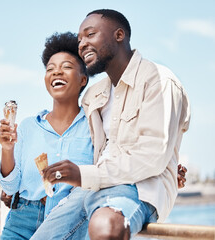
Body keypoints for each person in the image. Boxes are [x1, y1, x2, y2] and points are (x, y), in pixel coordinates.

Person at [30, 9, 190, 240]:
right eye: (79, 40)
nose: (82, 44)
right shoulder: (94, 95)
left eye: (90, 34)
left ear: (119, 35)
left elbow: (152, 157)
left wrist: (83, 174)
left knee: (106, 226)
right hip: (90, 189)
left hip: (138, 189)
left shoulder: (159, 81)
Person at [0, 32, 93, 239]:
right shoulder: (27, 127)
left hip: (70, 223)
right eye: (50, 68)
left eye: (66, 66)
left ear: (83, 79)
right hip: (21, 220)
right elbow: (10, 187)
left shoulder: (94, 127)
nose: (57, 72)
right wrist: (7, 149)